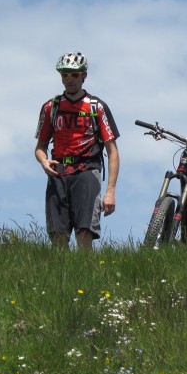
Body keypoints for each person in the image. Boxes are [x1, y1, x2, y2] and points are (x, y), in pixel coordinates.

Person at [34, 52, 120, 250]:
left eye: (74, 75)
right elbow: (40, 147)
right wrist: (43, 161)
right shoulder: (51, 107)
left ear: (84, 76)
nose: (69, 79)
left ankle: (86, 277)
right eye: (64, 75)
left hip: (87, 169)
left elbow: (112, 151)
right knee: (57, 234)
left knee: (84, 231)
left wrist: (110, 192)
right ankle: (61, 279)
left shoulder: (96, 107)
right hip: (58, 170)